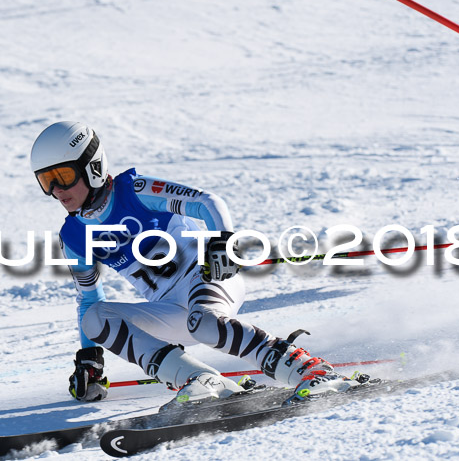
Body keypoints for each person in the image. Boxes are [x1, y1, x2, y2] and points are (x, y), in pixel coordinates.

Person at [30, 121, 361, 404]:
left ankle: (310, 369)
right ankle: (201, 381)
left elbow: (207, 203)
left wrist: (223, 245)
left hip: (208, 276)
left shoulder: (135, 190)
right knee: (94, 317)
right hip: (172, 308)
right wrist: (91, 359)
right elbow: (89, 297)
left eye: (63, 175)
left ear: (93, 167)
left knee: (203, 322)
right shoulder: (73, 235)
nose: (57, 190)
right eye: (47, 181)